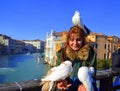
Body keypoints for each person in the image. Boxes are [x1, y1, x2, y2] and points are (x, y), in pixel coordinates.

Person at [55, 25, 98, 91]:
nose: (75, 43)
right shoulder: (62, 53)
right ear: (68, 41)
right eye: (72, 40)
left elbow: (92, 74)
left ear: (83, 40)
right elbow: (58, 73)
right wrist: (61, 82)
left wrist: (85, 85)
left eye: (78, 40)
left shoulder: (90, 53)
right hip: (67, 86)